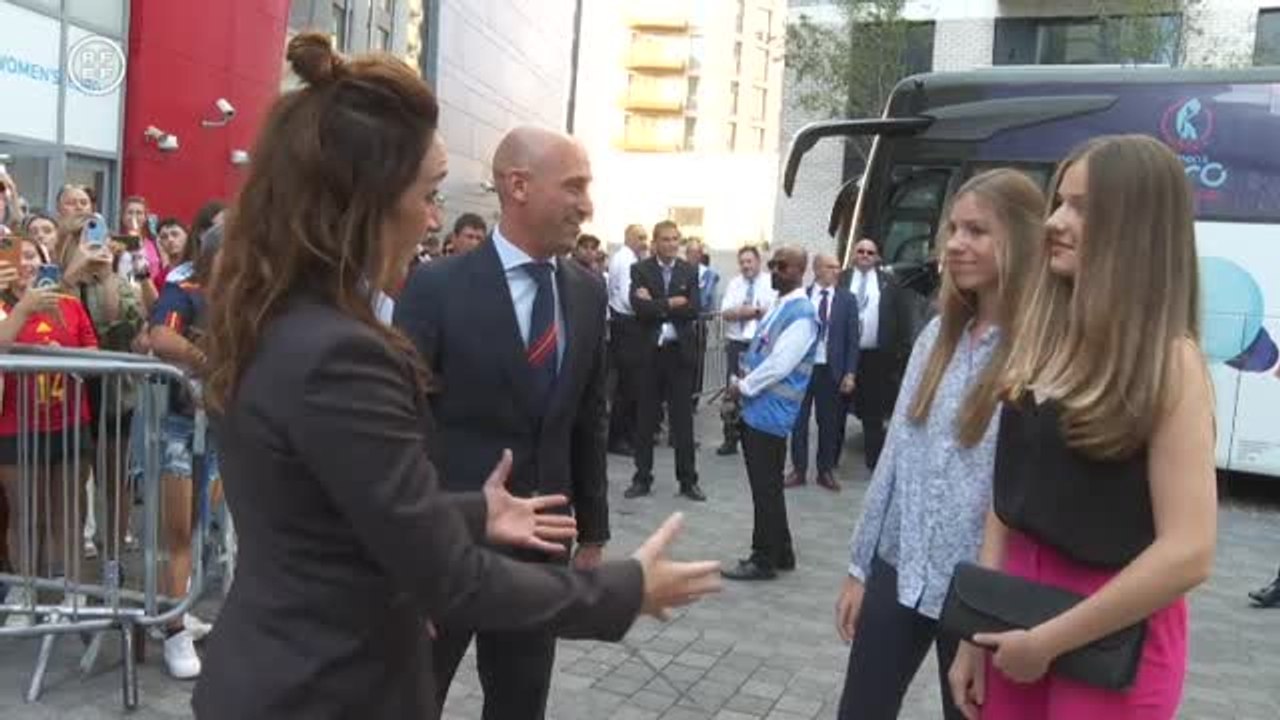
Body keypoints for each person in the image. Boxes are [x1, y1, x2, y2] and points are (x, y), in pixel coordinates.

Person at [193, 34, 720, 720]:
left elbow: (340, 503)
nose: (435, 219)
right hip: (326, 690)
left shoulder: (278, 321)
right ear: (366, 201)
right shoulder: (339, 354)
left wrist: (473, 510)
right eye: (429, 194)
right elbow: (450, 578)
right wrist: (626, 590)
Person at [948, 136, 1216, 720]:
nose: (1056, 222)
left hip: (1112, 643)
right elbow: (1005, 503)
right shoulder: (1040, 343)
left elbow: (1189, 552)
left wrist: (1049, 640)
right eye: (1059, 203)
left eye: (1084, 208)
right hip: (1015, 618)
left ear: (1138, 230)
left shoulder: (1170, 364)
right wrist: (974, 630)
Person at [395, 125, 618, 719]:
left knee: (520, 704)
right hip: (446, 547)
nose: (586, 204)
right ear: (518, 185)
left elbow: (586, 418)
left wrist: (591, 531)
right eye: (573, 186)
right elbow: (402, 427)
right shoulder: (435, 287)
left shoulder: (588, 293)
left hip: (541, 547)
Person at [834, 169, 1044, 719]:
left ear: (1020, 241)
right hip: (900, 566)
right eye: (952, 228)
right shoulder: (937, 337)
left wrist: (992, 607)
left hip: (978, 590)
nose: (955, 243)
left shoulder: (1039, 355)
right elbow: (895, 461)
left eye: (977, 231)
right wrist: (860, 567)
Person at [0, 237, 99, 623]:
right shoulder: (7, 306)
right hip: (16, 426)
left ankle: (73, 593)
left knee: (68, 513)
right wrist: (24, 308)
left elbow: (94, 351)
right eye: (16, 256)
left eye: (31, 256)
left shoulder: (70, 303)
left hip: (69, 422)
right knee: (25, 515)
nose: (25, 263)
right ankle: (26, 593)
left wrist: (67, 354)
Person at [721, 246, 818, 581]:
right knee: (769, 487)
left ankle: (763, 559)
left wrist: (743, 386)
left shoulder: (802, 313)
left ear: (800, 270)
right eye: (774, 265)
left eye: (783, 266)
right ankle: (783, 552)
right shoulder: (781, 305)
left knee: (765, 489)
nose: (775, 270)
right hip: (760, 409)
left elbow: (780, 364)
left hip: (771, 412)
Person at [625, 220, 705, 502]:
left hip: (678, 355)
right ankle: (642, 478)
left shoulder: (689, 271)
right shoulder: (640, 269)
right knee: (645, 420)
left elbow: (694, 308)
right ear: (655, 243)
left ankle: (688, 481)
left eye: (676, 239)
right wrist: (671, 303)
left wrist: (656, 304)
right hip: (649, 355)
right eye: (666, 239)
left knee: (683, 422)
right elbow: (638, 308)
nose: (672, 244)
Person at [842, 238, 916, 470]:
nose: (865, 255)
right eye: (861, 251)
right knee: (836, 409)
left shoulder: (890, 283)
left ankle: (874, 462)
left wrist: (900, 352)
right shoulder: (842, 279)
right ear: (854, 254)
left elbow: (903, 318)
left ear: (877, 257)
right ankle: (829, 462)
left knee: (873, 412)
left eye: (870, 252)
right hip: (844, 355)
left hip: (876, 357)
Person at [788, 252, 859, 492]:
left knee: (828, 422)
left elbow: (852, 339)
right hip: (803, 368)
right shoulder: (801, 297)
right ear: (817, 269)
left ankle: (824, 470)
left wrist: (850, 372)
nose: (836, 271)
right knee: (798, 421)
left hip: (831, 369)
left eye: (838, 267)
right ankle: (798, 470)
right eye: (830, 267)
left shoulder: (847, 299)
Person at [716, 246, 775, 455]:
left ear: (758, 262)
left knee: (759, 390)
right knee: (733, 390)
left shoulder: (770, 282)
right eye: (742, 262)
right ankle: (730, 438)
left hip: (760, 345)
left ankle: (756, 439)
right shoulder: (734, 284)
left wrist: (754, 311)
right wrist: (745, 312)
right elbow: (726, 312)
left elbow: (774, 312)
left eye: (749, 261)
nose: (746, 266)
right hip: (737, 343)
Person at [606, 224, 649, 456]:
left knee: (628, 385)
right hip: (627, 324)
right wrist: (647, 304)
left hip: (625, 324)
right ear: (629, 237)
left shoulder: (625, 258)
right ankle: (619, 438)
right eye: (641, 237)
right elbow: (626, 298)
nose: (645, 241)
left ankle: (624, 435)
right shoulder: (627, 261)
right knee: (627, 386)